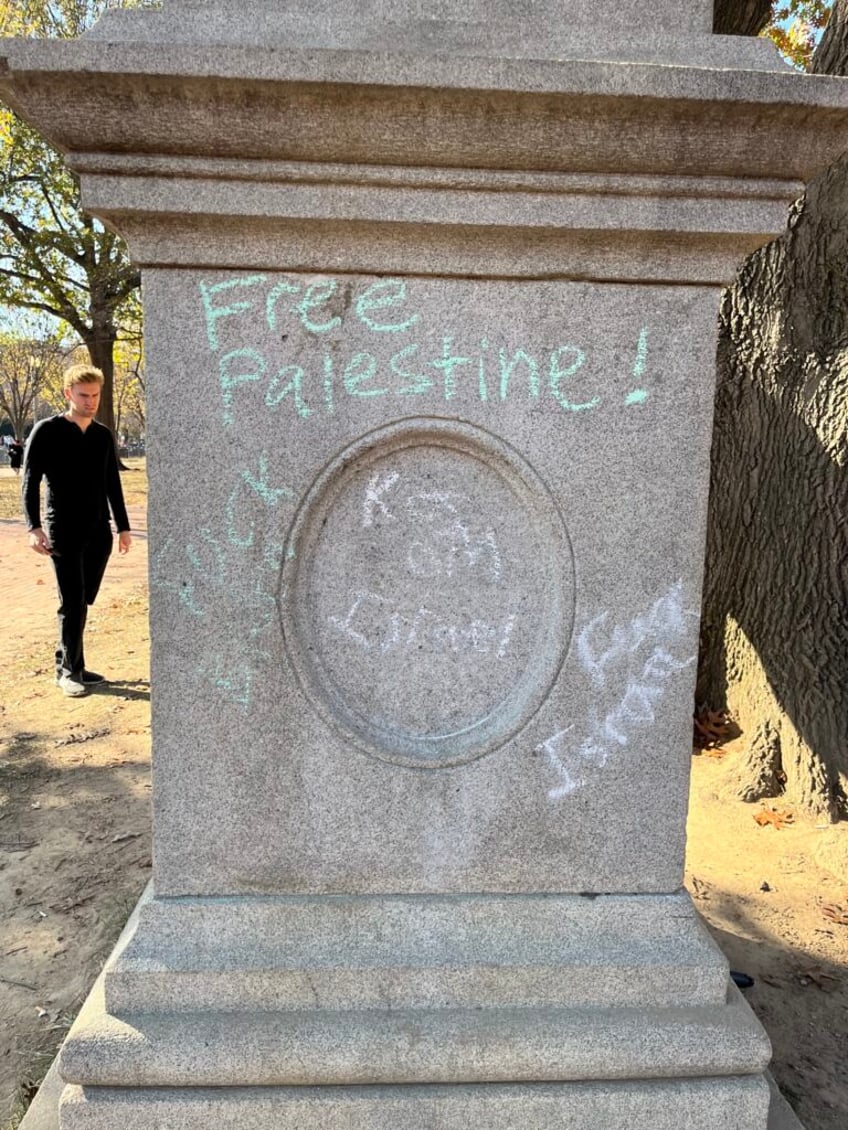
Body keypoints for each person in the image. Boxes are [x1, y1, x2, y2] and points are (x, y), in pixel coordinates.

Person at [22, 363, 132, 697]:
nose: (90, 401)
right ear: (68, 393)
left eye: (95, 395)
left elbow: (112, 482)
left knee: (83, 599)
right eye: (83, 395)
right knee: (71, 601)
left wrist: (123, 528)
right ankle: (69, 673)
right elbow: (30, 481)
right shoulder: (47, 430)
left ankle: (72, 662)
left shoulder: (102, 436)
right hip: (62, 530)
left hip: (99, 531)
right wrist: (33, 527)